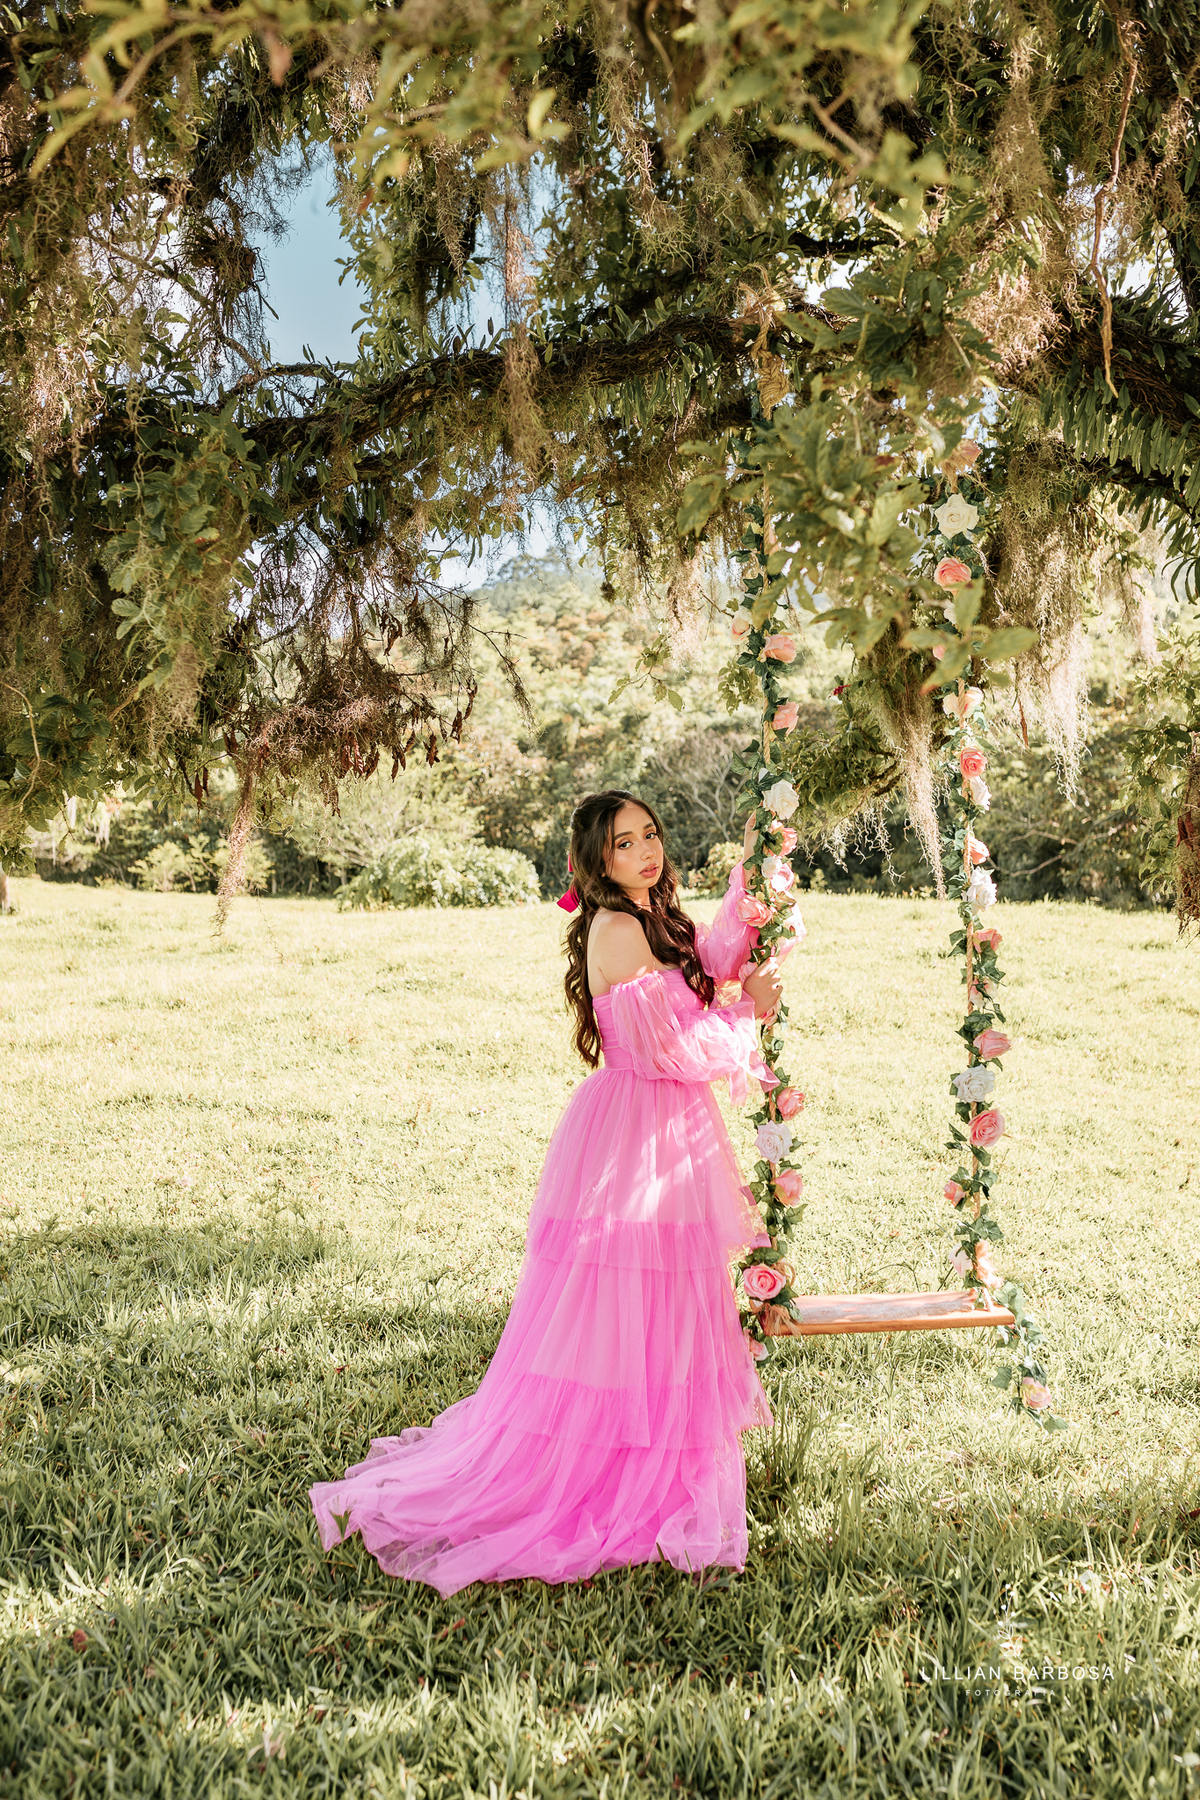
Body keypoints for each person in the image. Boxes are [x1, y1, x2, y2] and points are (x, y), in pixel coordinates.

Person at [309, 790, 785, 1594]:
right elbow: (675, 1045)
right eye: (625, 843)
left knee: (673, 1306)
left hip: (671, 1131)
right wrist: (752, 1015)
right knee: (624, 1307)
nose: (645, 851)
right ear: (598, 861)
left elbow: (712, 956)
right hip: (639, 1126)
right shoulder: (617, 927)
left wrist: (753, 876)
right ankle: (610, 1470)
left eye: (651, 834)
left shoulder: (655, 916)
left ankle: (668, 1463)